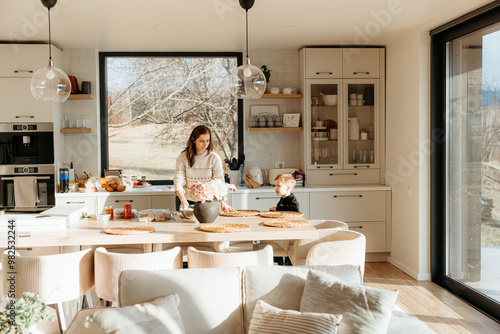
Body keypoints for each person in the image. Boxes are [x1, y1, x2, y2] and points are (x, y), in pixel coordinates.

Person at [174, 125, 235, 212]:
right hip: (187, 201)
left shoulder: (214, 157)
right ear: (193, 140)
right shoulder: (183, 157)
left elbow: (219, 182)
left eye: (207, 140)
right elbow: (178, 182)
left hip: (208, 202)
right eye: (201, 141)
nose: (205, 144)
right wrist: (183, 200)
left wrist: (223, 202)